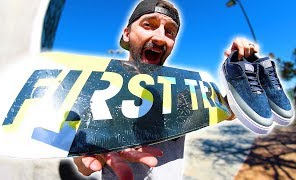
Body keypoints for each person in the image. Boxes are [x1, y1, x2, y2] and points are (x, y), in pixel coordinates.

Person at [73, 0, 259, 179]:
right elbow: (83, 167)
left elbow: (231, 111)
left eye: (170, 32)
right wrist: (94, 155)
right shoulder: (100, 92)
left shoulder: (182, 92)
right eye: (148, 25)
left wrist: (240, 70)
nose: (161, 38)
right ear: (127, 33)